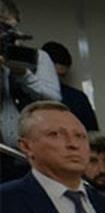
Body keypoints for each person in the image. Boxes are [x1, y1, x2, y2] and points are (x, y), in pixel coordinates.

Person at [0, 0, 61, 180]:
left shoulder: (36, 57)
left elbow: (54, 101)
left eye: (8, 28)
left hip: (31, 157)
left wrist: (23, 73)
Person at [40, 41, 98, 131]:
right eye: (53, 75)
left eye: (61, 76)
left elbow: (92, 134)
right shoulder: (25, 92)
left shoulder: (77, 98)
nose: (55, 81)